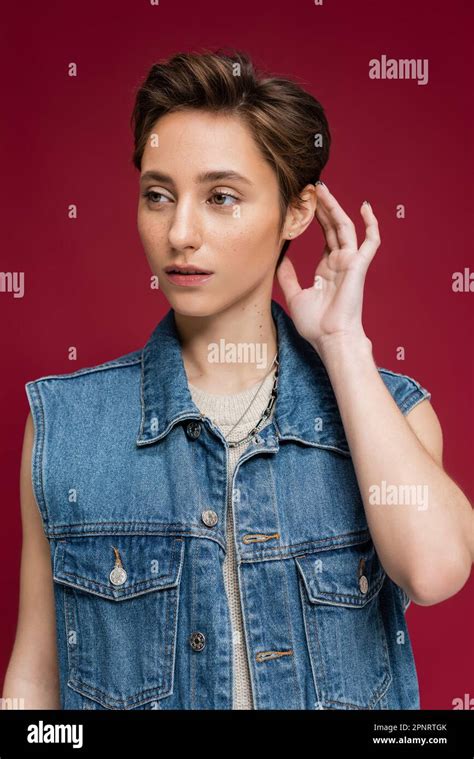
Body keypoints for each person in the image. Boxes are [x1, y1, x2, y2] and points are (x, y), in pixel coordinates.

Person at [3, 49, 472, 711]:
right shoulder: (66, 426)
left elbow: (434, 570)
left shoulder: (391, 409)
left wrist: (342, 344)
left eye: (221, 197)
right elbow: (34, 679)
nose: (180, 232)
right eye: (158, 196)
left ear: (297, 212)